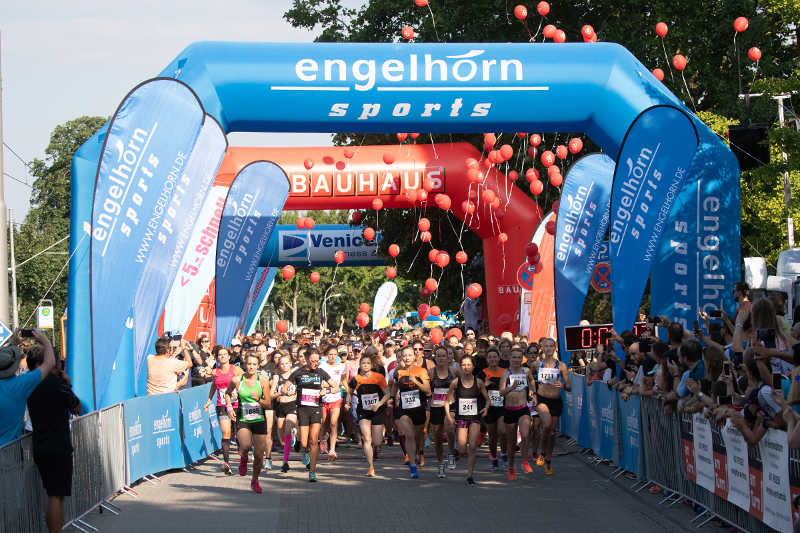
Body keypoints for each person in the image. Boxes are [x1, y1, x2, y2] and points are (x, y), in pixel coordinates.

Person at [24, 337, 78, 533]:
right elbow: (77, 407)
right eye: (55, 363)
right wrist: (68, 384)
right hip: (58, 445)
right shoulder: (56, 383)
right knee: (55, 496)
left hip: (40, 443)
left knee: (54, 494)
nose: (57, 367)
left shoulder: (28, 383)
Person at [284, 350, 339, 482]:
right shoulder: (298, 372)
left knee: (314, 440)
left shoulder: (320, 372)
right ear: (307, 360)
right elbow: (284, 388)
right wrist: (288, 391)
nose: (315, 363)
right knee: (304, 442)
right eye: (313, 361)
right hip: (302, 409)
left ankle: (312, 472)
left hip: (316, 408)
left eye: (317, 361)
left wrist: (326, 390)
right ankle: (305, 450)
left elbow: (336, 387)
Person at [223, 353, 271, 493]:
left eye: (254, 364)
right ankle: (243, 457)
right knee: (245, 445)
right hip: (243, 419)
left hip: (259, 420)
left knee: (258, 455)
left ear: (258, 366)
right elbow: (227, 393)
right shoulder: (237, 380)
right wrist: (229, 407)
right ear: (245, 364)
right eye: (249, 364)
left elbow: (268, 404)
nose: (251, 367)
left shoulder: (263, 381)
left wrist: (259, 400)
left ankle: (255, 480)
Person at [0, 330, 56, 446]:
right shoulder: (21, 384)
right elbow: (49, 363)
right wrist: (45, 342)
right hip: (9, 451)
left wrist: (13, 345)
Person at [445, 355, 489, 485]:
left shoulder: (479, 382)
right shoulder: (456, 382)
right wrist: (449, 417)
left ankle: (470, 475)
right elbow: (447, 401)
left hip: (475, 417)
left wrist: (486, 408)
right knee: (462, 449)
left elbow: (487, 399)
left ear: (473, 366)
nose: (466, 367)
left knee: (473, 446)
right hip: (461, 418)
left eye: (468, 364)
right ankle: (456, 453)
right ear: (460, 366)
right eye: (463, 365)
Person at [392, 345, 431, 478]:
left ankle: (419, 451)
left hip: (419, 409)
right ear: (401, 357)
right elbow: (393, 388)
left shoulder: (421, 371)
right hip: (404, 409)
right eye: (405, 355)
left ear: (414, 356)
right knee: (409, 435)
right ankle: (413, 466)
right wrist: (391, 398)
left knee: (418, 436)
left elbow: (428, 390)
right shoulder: (398, 372)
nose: (407, 358)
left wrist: (416, 382)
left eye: (409, 355)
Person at [533, 338, 571, 475]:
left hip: (556, 401)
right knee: (547, 425)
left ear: (555, 348)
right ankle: (542, 453)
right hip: (542, 400)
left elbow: (569, 386)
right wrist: (532, 392)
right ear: (542, 348)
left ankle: (548, 460)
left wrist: (563, 386)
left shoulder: (561, 366)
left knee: (552, 432)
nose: (549, 348)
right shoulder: (537, 364)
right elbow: (530, 379)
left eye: (551, 346)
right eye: (546, 346)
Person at [203, 345, 243, 475]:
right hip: (222, 405)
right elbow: (215, 385)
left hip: (237, 405)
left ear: (229, 356)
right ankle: (227, 463)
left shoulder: (236, 369)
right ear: (217, 358)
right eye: (220, 355)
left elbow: (246, 381)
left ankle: (243, 455)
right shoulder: (216, 372)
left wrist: (239, 392)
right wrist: (209, 400)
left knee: (240, 434)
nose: (222, 356)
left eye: (225, 354)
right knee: (226, 432)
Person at [350, 355, 390, 477]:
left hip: (377, 410)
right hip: (363, 410)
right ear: (360, 365)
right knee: (367, 438)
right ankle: (371, 467)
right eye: (363, 363)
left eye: (368, 363)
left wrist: (379, 404)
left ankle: (374, 448)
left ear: (372, 365)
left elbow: (387, 394)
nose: (366, 365)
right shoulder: (356, 379)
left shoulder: (379, 377)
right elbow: (350, 392)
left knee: (377, 441)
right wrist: (347, 402)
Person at [499, 347, 535, 480]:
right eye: (513, 357)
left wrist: (532, 391)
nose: (516, 360)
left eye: (519, 357)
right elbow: (501, 392)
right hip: (509, 409)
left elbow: (531, 381)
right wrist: (511, 387)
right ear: (510, 358)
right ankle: (511, 468)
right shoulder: (506, 373)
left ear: (522, 359)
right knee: (512, 442)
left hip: (523, 408)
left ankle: (525, 461)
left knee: (525, 435)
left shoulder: (526, 371)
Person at [428, 346, 457, 478]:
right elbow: (426, 390)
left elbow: (467, 381)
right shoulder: (431, 372)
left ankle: (451, 454)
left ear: (448, 357)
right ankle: (440, 464)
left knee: (450, 428)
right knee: (438, 438)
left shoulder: (454, 371)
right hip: (435, 407)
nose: (441, 358)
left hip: (450, 405)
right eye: (438, 356)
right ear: (435, 357)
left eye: (443, 356)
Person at [319, 344, 348, 462]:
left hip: (336, 398)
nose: (332, 356)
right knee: (324, 424)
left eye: (334, 355)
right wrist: (328, 386)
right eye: (330, 354)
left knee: (334, 423)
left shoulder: (342, 366)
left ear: (337, 356)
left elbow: (344, 381)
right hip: (324, 399)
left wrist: (350, 394)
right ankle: (323, 440)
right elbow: (320, 383)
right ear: (326, 355)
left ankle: (332, 449)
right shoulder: (322, 366)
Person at [481, 347, 507, 470]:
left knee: (502, 431)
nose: (492, 359)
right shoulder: (483, 372)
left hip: (502, 406)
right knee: (492, 436)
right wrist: (484, 386)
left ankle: (504, 453)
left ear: (499, 358)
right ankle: (494, 458)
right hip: (489, 407)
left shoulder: (504, 371)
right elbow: (477, 389)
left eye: (494, 357)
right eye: (490, 357)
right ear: (487, 359)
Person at [271, 353, 298, 473]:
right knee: (281, 435)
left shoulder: (296, 375)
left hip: (292, 406)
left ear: (291, 364)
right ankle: (291, 438)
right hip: (281, 407)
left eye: (287, 363)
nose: (284, 365)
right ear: (279, 365)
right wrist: (282, 393)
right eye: (282, 363)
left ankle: (285, 461)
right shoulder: (277, 377)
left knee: (287, 427)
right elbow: (271, 394)